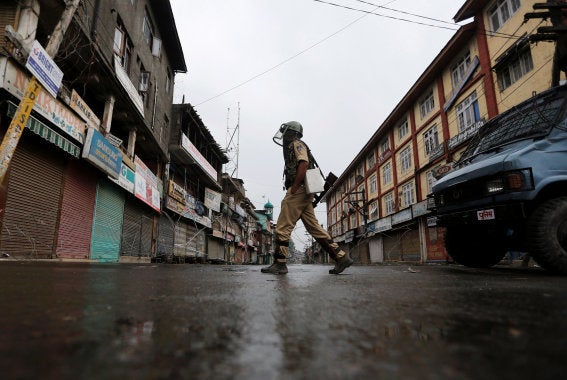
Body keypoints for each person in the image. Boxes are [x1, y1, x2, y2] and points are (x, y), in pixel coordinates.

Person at [261, 121, 353, 275]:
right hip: (305, 192)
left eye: (287, 133)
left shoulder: (297, 144)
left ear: (292, 132)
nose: (284, 137)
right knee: (314, 228)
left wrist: (295, 187)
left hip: (299, 190)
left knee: (283, 226)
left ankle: (280, 263)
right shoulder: (295, 146)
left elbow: (304, 163)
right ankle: (341, 257)